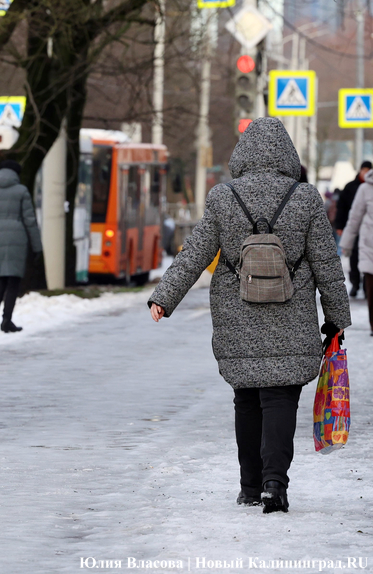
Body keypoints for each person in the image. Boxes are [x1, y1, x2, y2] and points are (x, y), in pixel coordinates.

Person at [147, 118, 350, 514]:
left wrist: (164, 298)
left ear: (242, 154)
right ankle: (275, 483)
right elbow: (327, 262)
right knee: (280, 397)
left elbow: (195, 253)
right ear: (288, 154)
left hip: (236, 315)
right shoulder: (306, 198)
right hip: (291, 315)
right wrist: (337, 317)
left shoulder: (223, 198)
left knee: (247, 397)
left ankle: (249, 485)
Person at [0, 159, 42, 332]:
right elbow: (30, 221)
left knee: (1, 276)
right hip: (16, 237)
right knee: (13, 279)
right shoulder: (21, 191)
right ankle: (6, 320)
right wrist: (37, 246)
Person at [339, 168, 373, 335]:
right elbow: (354, 218)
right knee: (371, 292)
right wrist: (346, 244)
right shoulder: (365, 188)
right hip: (369, 249)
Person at [334, 160, 371, 297]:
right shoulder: (350, 187)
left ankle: (368, 288)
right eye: (364, 170)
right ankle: (355, 284)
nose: (366, 173)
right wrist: (340, 226)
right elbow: (342, 208)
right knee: (354, 258)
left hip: (368, 230)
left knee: (368, 260)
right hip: (354, 228)